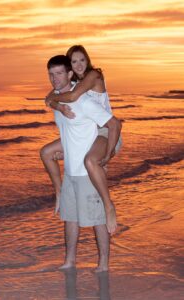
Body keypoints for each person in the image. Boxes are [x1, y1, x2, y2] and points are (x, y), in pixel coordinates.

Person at [45, 55, 122, 272]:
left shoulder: (83, 100)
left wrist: (107, 155)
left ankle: (104, 264)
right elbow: (65, 128)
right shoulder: (58, 101)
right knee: (69, 218)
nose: (54, 78)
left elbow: (114, 124)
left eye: (59, 73)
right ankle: (69, 261)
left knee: (98, 220)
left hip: (87, 173)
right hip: (70, 171)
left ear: (70, 74)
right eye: (51, 74)